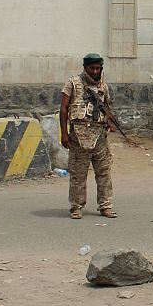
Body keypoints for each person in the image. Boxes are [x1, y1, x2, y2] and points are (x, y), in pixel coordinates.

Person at [60, 53, 114, 220]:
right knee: (78, 174)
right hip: (78, 136)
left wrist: (110, 122)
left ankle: (105, 206)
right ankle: (76, 207)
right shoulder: (73, 83)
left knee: (104, 173)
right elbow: (63, 109)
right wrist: (63, 133)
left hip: (99, 136)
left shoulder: (103, 86)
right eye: (92, 68)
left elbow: (106, 107)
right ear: (85, 67)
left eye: (98, 68)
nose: (95, 71)